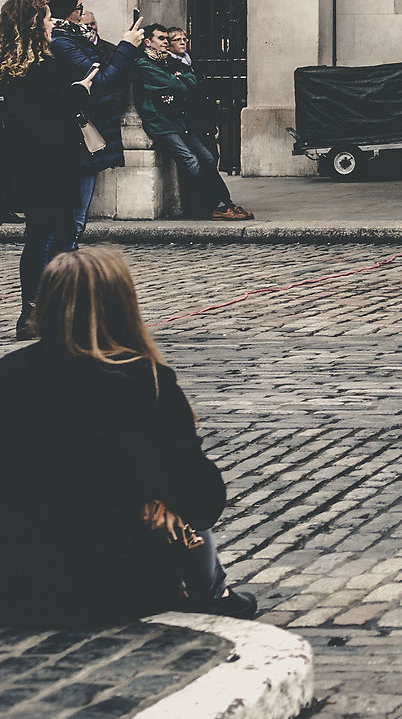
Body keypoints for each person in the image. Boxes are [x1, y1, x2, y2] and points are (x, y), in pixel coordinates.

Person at [0, 247, 253, 626]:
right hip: (117, 585)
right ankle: (213, 593)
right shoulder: (144, 380)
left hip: (17, 584)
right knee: (179, 496)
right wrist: (158, 500)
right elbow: (202, 498)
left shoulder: (9, 374)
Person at [0, 0, 111, 339]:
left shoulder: (7, 65)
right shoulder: (47, 66)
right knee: (60, 234)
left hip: (24, 161)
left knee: (38, 236)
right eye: (47, 18)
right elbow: (61, 110)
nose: (51, 23)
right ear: (35, 23)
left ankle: (31, 311)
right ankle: (56, 310)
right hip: (54, 160)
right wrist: (84, 87)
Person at [32, 0, 143, 247]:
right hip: (75, 133)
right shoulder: (62, 40)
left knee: (71, 220)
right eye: (79, 8)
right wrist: (126, 46)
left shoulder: (75, 36)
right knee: (71, 220)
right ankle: (57, 281)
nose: (82, 14)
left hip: (82, 130)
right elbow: (101, 81)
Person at [135, 27, 251, 221]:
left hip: (179, 121)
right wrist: (177, 81)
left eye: (166, 38)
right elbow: (175, 85)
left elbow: (190, 81)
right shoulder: (145, 64)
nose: (165, 42)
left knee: (207, 158)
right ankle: (216, 205)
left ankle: (226, 202)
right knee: (191, 160)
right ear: (148, 42)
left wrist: (178, 81)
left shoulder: (166, 61)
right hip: (162, 123)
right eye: (161, 38)